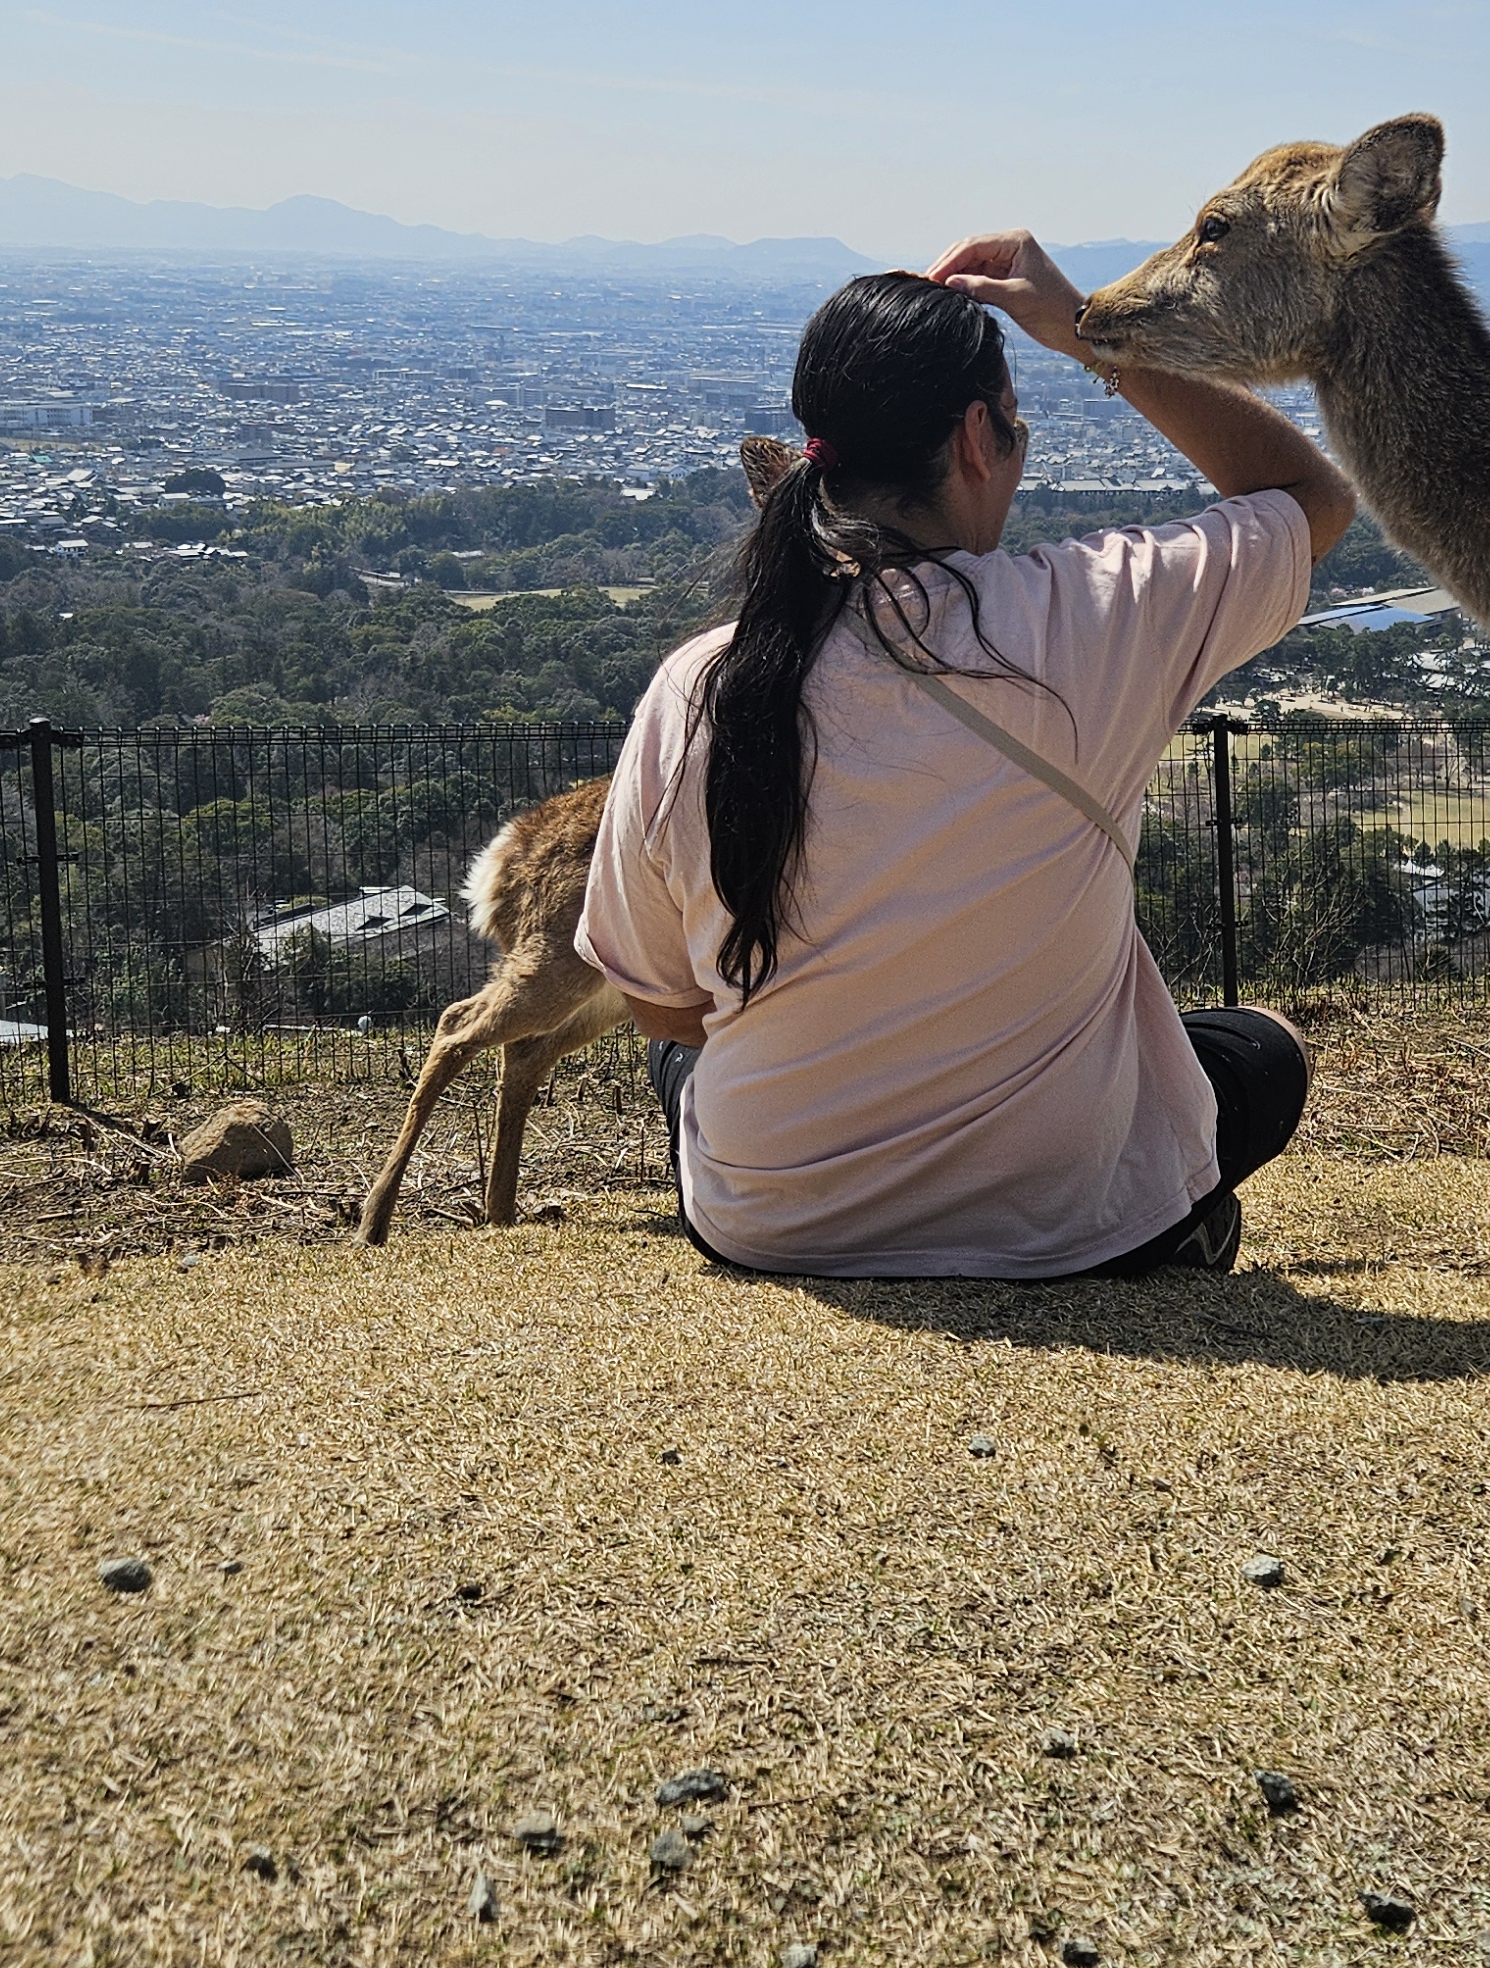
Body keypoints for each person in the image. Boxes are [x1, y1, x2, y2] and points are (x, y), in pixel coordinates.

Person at [575, 229, 1353, 1278]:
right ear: (977, 439)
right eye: (1019, 431)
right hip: (1067, 1217)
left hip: (771, 1216)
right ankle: (1179, 1215)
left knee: (680, 1063)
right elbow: (1311, 499)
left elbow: (664, 1005)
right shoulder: (1090, 620)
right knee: (1261, 1049)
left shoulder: (702, 684)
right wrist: (1094, 335)